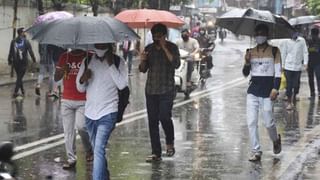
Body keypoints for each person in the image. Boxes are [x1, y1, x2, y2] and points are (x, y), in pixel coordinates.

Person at [76, 43, 128, 179]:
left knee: (98, 149)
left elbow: (122, 85)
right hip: (90, 114)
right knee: (97, 150)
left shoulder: (118, 62)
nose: (99, 45)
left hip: (108, 113)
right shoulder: (87, 60)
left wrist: (111, 65)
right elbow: (80, 88)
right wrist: (83, 79)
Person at [139, 23, 180, 162]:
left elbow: (176, 64)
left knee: (164, 117)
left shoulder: (172, 47)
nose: (157, 39)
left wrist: (164, 47)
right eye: (154, 37)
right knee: (152, 121)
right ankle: (156, 153)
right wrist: (143, 60)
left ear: (164, 36)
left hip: (167, 89)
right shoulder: (148, 49)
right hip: (151, 90)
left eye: (159, 36)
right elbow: (142, 69)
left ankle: (170, 143)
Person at [242, 24, 282, 161]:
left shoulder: (275, 51)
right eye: (257, 33)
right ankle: (256, 150)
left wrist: (275, 88)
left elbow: (278, 72)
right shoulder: (249, 51)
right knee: (251, 121)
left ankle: (276, 140)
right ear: (254, 36)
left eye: (262, 33)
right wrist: (247, 62)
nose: (260, 35)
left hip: (268, 91)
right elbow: (245, 74)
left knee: (268, 122)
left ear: (267, 35)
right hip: (253, 90)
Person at [54, 49, 93, 170]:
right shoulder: (64, 56)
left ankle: (89, 149)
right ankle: (71, 159)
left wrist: (87, 75)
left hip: (83, 99)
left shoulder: (90, 56)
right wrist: (62, 71)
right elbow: (56, 78)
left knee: (81, 126)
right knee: (68, 131)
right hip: (66, 99)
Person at [282, 28, 308, 110]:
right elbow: (284, 53)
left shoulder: (302, 41)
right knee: (289, 85)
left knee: (296, 85)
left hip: (297, 67)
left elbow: (305, 52)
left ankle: (294, 96)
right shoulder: (286, 41)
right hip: (288, 66)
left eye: (296, 32)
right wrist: (282, 65)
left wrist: (305, 62)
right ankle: (290, 102)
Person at [8, 27, 36, 98]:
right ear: (21, 33)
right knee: (19, 77)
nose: (25, 33)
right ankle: (15, 92)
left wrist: (9, 60)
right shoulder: (26, 41)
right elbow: (30, 51)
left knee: (19, 77)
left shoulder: (13, 41)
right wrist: (34, 59)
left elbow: (10, 52)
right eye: (24, 32)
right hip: (23, 63)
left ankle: (23, 90)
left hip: (15, 62)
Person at [176, 29, 200, 93]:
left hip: (189, 59)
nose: (184, 35)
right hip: (180, 59)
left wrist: (193, 53)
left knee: (189, 63)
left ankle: (188, 80)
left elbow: (197, 48)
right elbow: (174, 48)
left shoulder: (193, 41)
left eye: (185, 34)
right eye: (183, 34)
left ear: (188, 34)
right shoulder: (178, 41)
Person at [307, 28, 320, 98]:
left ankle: (314, 93)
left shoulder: (317, 41)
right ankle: (313, 93)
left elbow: (316, 50)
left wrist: (310, 49)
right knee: (313, 78)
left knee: (315, 78)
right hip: (313, 62)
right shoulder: (309, 41)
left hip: (315, 62)